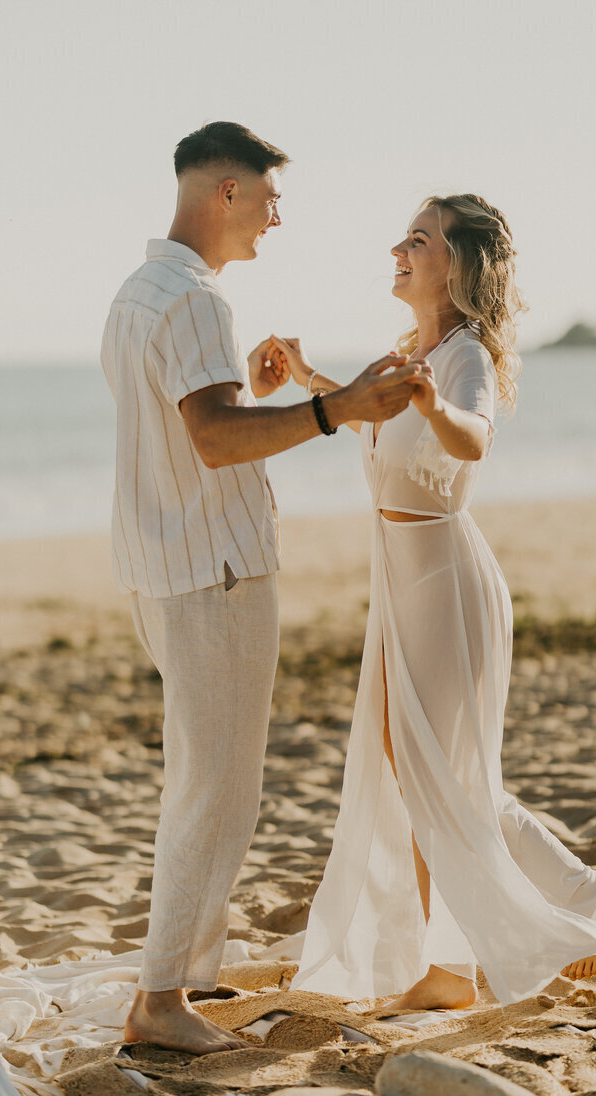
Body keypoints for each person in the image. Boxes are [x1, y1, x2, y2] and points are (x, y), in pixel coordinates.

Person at [100, 121, 420, 1054]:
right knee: (220, 790)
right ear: (225, 192)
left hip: (162, 569)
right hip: (218, 571)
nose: (279, 218)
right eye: (270, 199)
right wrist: (338, 408)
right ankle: (161, 1000)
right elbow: (214, 442)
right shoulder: (196, 300)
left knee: (200, 776)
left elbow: (191, 422)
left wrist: (245, 389)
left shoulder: (139, 290)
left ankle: (189, 968)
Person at [274, 194, 596, 1011]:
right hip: (404, 583)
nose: (398, 247)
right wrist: (310, 378)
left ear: (457, 265)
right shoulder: (411, 352)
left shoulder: (461, 358)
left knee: (444, 777)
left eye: (419, 239)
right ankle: (562, 902)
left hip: (444, 584)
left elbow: (472, 435)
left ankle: (459, 963)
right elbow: (376, 426)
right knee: (423, 771)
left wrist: (433, 406)